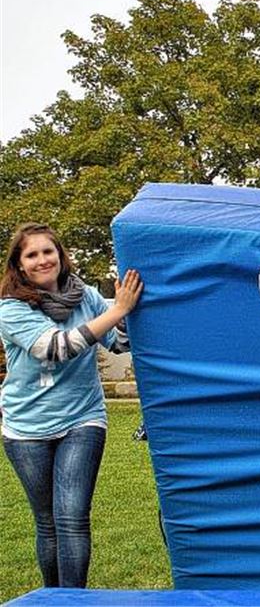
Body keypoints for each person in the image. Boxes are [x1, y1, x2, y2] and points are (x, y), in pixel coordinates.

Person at [0, 223, 143, 587]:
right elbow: (57, 348)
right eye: (31, 254)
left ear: (60, 255)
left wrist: (125, 314)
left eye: (48, 251)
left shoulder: (88, 296)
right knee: (47, 522)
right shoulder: (11, 309)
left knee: (72, 517)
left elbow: (117, 345)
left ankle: (73, 601)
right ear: (18, 265)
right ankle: (53, 598)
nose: (42, 259)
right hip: (26, 428)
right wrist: (116, 310)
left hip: (83, 417)